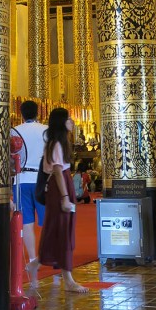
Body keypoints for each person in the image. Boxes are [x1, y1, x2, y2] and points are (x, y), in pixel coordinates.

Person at [37, 107, 89, 294]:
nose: (72, 122)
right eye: (68, 119)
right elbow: (58, 170)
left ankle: (37, 262)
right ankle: (68, 279)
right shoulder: (56, 144)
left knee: (57, 228)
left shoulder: (57, 143)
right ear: (61, 122)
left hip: (61, 186)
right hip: (60, 188)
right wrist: (65, 197)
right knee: (62, 229)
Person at [12, 100, 47, 288]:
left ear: (21, 113)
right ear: (38, 113)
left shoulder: (15, 131)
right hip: (41, 180)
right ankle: (47, 255)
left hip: (21, 180)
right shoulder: (45, 130)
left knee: (26, 222)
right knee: (47, 221)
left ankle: (33, 258)